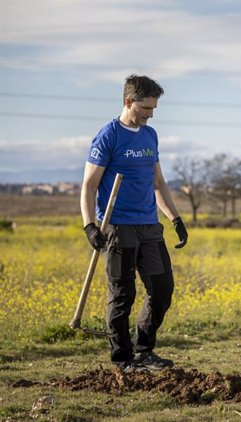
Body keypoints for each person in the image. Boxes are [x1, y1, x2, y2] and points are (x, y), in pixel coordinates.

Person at [80, 75, 188, 373]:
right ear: (128, 102)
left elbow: (157, 182)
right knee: (123, 294)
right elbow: (89, 186)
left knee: (162, 288)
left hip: (149, 226)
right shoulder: (108, 136)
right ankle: (122, 359)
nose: (150, 114)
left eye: (153, 109)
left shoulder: (150, 135)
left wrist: (175, 218)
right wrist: (90, 225)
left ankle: (144, 350)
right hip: (117, 227)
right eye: (146, 108)